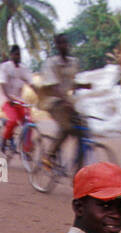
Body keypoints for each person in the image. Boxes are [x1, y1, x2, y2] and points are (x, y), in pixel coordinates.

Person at [40, 33, 91, 168]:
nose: (64, 46)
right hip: (53, 101)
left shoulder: (73, 62)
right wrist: (65, 100)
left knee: (83, 129)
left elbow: (72, 83)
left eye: (66, 43)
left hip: (68, 101)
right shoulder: (51, 63)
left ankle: (78, 171)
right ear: (57, 46)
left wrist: (85, 86)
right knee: (67, 127)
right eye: (61, 43)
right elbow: (54, 85)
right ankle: (49, 155)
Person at [0, 45, 35, 149]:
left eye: (19, 54)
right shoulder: (5, 67)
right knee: (13, 120)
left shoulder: (23, 69)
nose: (18, 56)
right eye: (16, 54)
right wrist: (8, 98)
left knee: (29, 123)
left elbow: (31, 83)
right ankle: (4, 139)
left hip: (18, 100)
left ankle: (26, 148)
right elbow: (2, 83)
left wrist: (40, 93)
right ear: (11, 55)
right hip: (6, 100)